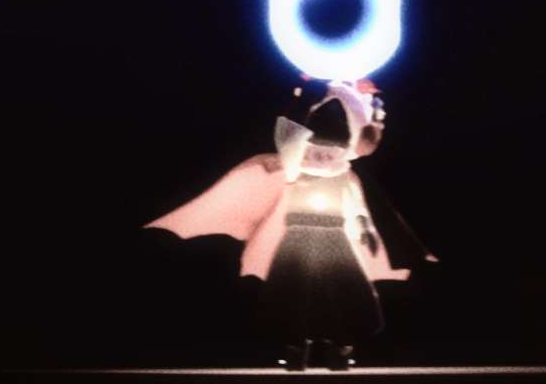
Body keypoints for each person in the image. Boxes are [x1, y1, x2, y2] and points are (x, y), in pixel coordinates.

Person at [144, 79, 436, 370]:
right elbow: (288, 136)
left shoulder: (343, 174)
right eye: (319, 146)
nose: (323, 154)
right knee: (291, 291)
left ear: (342, 147)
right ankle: (296, 347)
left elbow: (357, 201)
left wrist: (365, 229)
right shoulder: (293, 166)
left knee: (346, 288)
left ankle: (341, 347)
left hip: (334, 235)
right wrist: (306, 94)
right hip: (297, 236)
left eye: (331, 148)